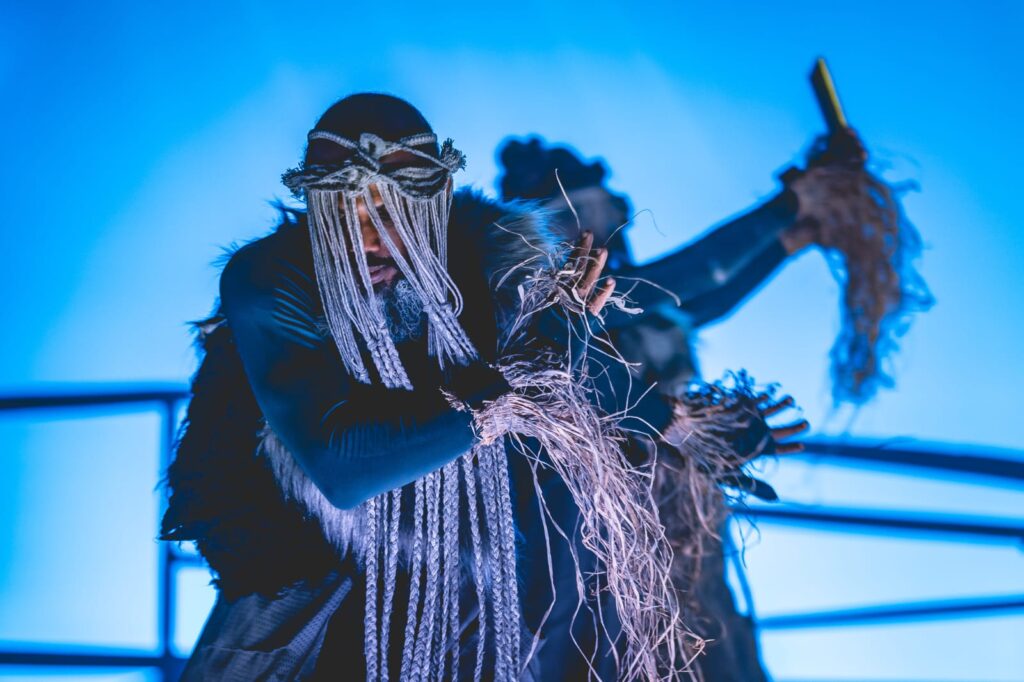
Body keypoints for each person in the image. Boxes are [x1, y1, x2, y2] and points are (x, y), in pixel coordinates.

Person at [161, 93, 698, 682]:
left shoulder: (497, 271)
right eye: (346, 212)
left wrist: (702, 430)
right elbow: (340, 468)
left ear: (434, 203)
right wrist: (513, 385)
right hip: (304, 602)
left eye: (392, 211)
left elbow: (600, 384)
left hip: (469, 612)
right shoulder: (271, 278)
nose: (368, 238)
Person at [497, 134, 871, 680]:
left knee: (712, 641)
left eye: (609, 213)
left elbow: (699, 300)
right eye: (584, 215)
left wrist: (792, 236)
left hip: (681, 534)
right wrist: (789, 204)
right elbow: (687, 280)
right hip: (593, 544)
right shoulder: (547, 308)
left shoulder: (635, 305)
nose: (604, 231)